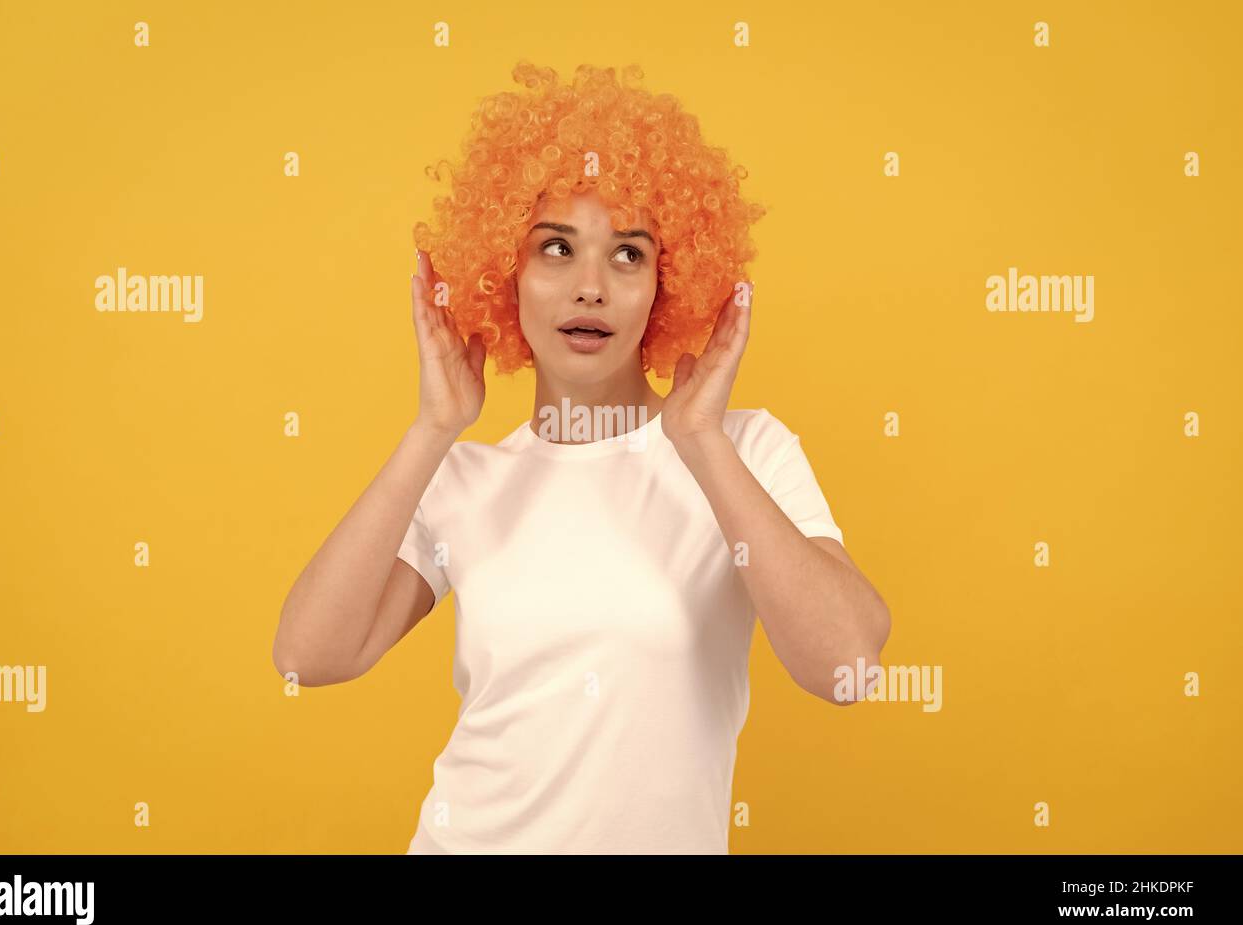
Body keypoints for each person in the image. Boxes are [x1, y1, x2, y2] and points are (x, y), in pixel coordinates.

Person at [273, 61, 890, 854]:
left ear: (668, 283)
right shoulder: (464, 480)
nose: (590, 287)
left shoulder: (745, 451)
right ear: (509, 274)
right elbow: (309, 655)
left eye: (628, 254)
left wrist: (699, 440)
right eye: (556, 248)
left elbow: (847, 666)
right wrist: (433, 428)